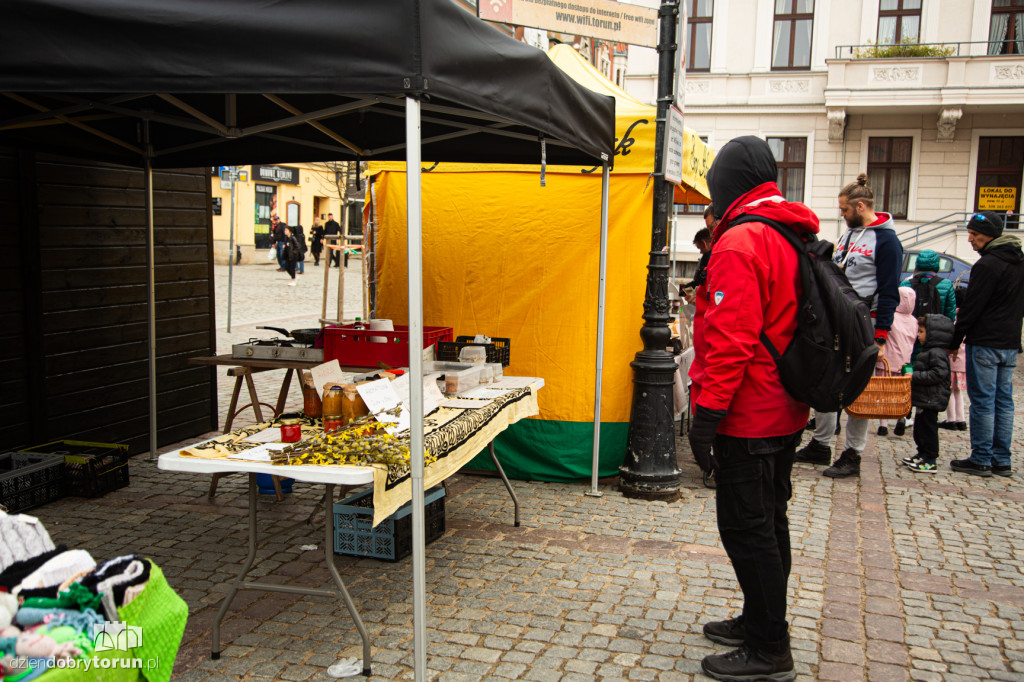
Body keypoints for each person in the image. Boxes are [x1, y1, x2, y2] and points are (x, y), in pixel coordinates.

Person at [688, 136, 817, 681]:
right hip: (782, 406)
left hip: (750, 411)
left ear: (727, 185)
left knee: (748, 529)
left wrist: (707, 416)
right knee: (770, 521)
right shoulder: (785, 229)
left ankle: (769, 648)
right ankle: (759, 618)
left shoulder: (742, 241)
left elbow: (730, 340)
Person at [795, 173, 903, 478]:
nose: (841, 215)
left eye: (844, 210)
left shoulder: (887, 240)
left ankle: (853, 453)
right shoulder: (849, 234)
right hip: (835, 318)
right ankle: (821, 443)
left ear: (859, 206)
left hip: (863, 320)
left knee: (859, 385)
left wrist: (880, 334)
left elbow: (890, 289)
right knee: (827, 375)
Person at [948, 211, 1024, 478]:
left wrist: (955, 340)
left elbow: (971, 309)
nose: (970, 239)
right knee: (1004, 402)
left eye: (974, 234)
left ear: (990, 235)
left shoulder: (987, 265)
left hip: (985, 343)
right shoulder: (1018, 262)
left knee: (982, 402)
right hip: (1009, 342)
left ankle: (981, 458)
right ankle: (1002, 460)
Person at [903, 314, 953, 473]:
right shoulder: (929, 351)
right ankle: (922, 453)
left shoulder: (937, 353)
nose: (918, 335)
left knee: (928, 429)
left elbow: (938, 374)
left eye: (922, 331)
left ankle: (930, 459)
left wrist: (915, 376)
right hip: (925, 398)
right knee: (920, 428)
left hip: (932, 398)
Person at [877, 287, 918, 437]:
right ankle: (901, 417)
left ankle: (883, 425)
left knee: (883, 393)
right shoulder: (913, 321)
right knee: (900, 393)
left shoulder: (891, 317)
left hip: (887, 360)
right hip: (904, 363)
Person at [900, 249, 957, 322]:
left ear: (917, 264)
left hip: (912, 330)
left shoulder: (906, 284)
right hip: (937, 329)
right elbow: (950, 313)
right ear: (937, 265)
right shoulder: (947, 284)